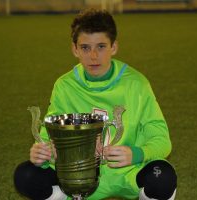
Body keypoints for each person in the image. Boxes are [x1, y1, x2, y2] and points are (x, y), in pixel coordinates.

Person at [14, 8, 177, 200]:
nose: (93, 56)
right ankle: (68, 196)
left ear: (113, 47)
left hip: (128, 173)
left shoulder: (136, 84)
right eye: (85, 47)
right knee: (26, 175)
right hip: (78, 175)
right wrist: (41, 151)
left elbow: (162, 140)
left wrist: (136, 154)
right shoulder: (65, 85)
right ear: (74, 49)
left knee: (163, 177)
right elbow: (49, 135)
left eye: (101, 46)